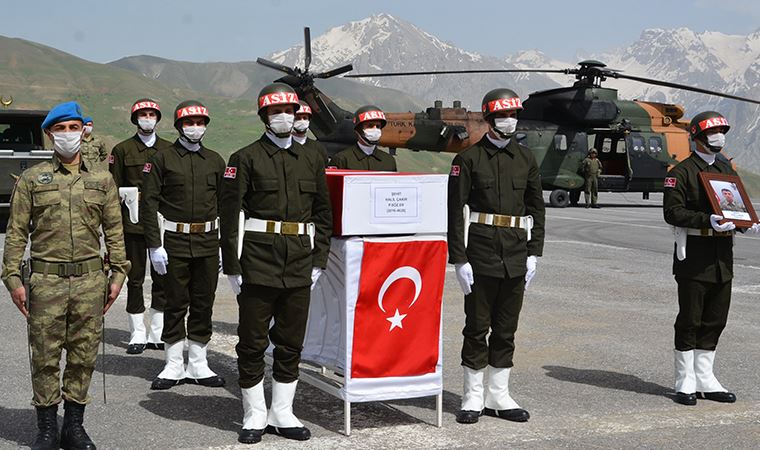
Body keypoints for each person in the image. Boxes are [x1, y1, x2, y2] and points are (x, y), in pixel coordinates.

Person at [2, 101, 129, 450]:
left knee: (83, 355)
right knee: (44, 355)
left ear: (83, 131)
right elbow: (16, 233)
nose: (68, 135)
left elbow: (115, 233)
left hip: (90, 281)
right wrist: (13, 279)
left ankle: (74, 427)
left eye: (74, 128)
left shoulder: (102, 180)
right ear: (49, 134)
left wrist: (118, 274)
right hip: (46, 281)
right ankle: (46, 428)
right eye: (61, 129)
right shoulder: (32, 179)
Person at [219, 82, 332, 444]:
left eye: (289, 111)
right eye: (275, 112)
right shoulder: (245, 158)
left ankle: (282, 412)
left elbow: (323, 213)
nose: (284, 117)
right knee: (251, 342)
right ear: (264, 117)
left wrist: (320, 260)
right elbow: (230, 214)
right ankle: (254, 413)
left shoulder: (313, 158)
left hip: (300, 261)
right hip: (258, 262)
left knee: (290, 342)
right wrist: (232, 267)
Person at [447, 88, 545, 425]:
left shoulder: (526, 158)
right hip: (482, 254)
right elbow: (455, 212)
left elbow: (537, 209)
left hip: (516, 254)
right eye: (503, 115)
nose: (509, 120)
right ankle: (473, 396)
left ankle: (499, 395)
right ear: (489, 120)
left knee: (506, 329)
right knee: (477, 328)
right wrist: (459, 259)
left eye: (514, 115)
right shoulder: (468, 160)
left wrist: (535, 254)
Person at [663, 110, 760, 406]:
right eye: (711, 133)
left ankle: (706, 378)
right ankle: (685, 380)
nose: (718, 138)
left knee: (716, 318)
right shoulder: (679, 173)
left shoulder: (725, 170)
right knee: (690, 319)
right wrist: (708, 220)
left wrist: (745, 222)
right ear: (697, 137)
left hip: (722, 257)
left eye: (721, 132)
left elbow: (735, 205)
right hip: (694, 255)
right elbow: (673, 212)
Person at [140, 100, 227, 390]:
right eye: (189, 123)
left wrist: (225, 247)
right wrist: (154, 245)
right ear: (179, 126)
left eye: (200, 122)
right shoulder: (163, 159)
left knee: (204, 303)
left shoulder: (215, 160)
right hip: (174, 242)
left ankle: (199, 363)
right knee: (174, 303)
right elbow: (149, 203)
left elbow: (225, 205)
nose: (195, 127)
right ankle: (174, 363)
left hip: (206, 242)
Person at [110, 99, 173, 355]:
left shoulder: (169, 149)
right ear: (135, 119)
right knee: (134, 278)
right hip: (133, 224)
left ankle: (158, 331)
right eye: (142, 114)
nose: (147, 118)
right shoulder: (122, 150)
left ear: (158, 118)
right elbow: (113, 190)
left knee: (163, 277)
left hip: (161, 223)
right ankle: (137, 332)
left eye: (151, 114)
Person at [328, 105, 397, 171]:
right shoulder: (342, 159)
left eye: (378, 126)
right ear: (358, 129)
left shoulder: (389, 161)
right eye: (370, 126)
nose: (375, 129)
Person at [292, 100, 329, 165]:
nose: (302, 121)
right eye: (297, 118)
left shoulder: (318, 147)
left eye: (305, 118)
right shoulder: (284, 145)